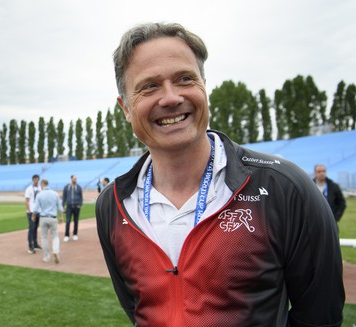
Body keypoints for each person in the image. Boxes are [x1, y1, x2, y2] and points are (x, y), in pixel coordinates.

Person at [95, 22, 344, 326]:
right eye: (149, 86)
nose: (171, 97)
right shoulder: (112, 205)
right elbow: (136, 308)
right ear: (125, 109)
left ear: (204, 87)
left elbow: (320, 316)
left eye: (185, 79)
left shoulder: (284, 188)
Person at [33, 179, 63, 263]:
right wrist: (61, 217)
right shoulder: (55, 194)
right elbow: (60, 207)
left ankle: (46, 256)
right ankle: (56, 250)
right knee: (55, 236)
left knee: (44, 237)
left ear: (42, 184)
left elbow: (35, 208)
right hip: (53, 217)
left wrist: (33, 216)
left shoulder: (39, 195)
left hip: (43, 217)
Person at [62, 175, 83, 242]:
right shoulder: (67, 187)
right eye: (74, 179)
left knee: (76, 221)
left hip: (76, 207)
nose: (75, 180)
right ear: (71, 179)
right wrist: (63, 206)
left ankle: (75, 234)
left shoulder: (79, 187)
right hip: (69, 207)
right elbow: (64, 197)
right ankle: (66, 235)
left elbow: (81, 197)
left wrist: (80, 204)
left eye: (76, 179)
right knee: (68, 221)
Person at [24, 174, 42, 254]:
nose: (36, 180)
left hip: (38, 211)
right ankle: (30, 246)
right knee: (31, 228)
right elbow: (27, 201)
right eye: (35, 179)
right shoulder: (28, 189)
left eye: (37, 179)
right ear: (32, 180)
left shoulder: (40, 188)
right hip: (31, 211)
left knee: (35, 228)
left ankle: (35, 243)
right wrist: (29, 211)